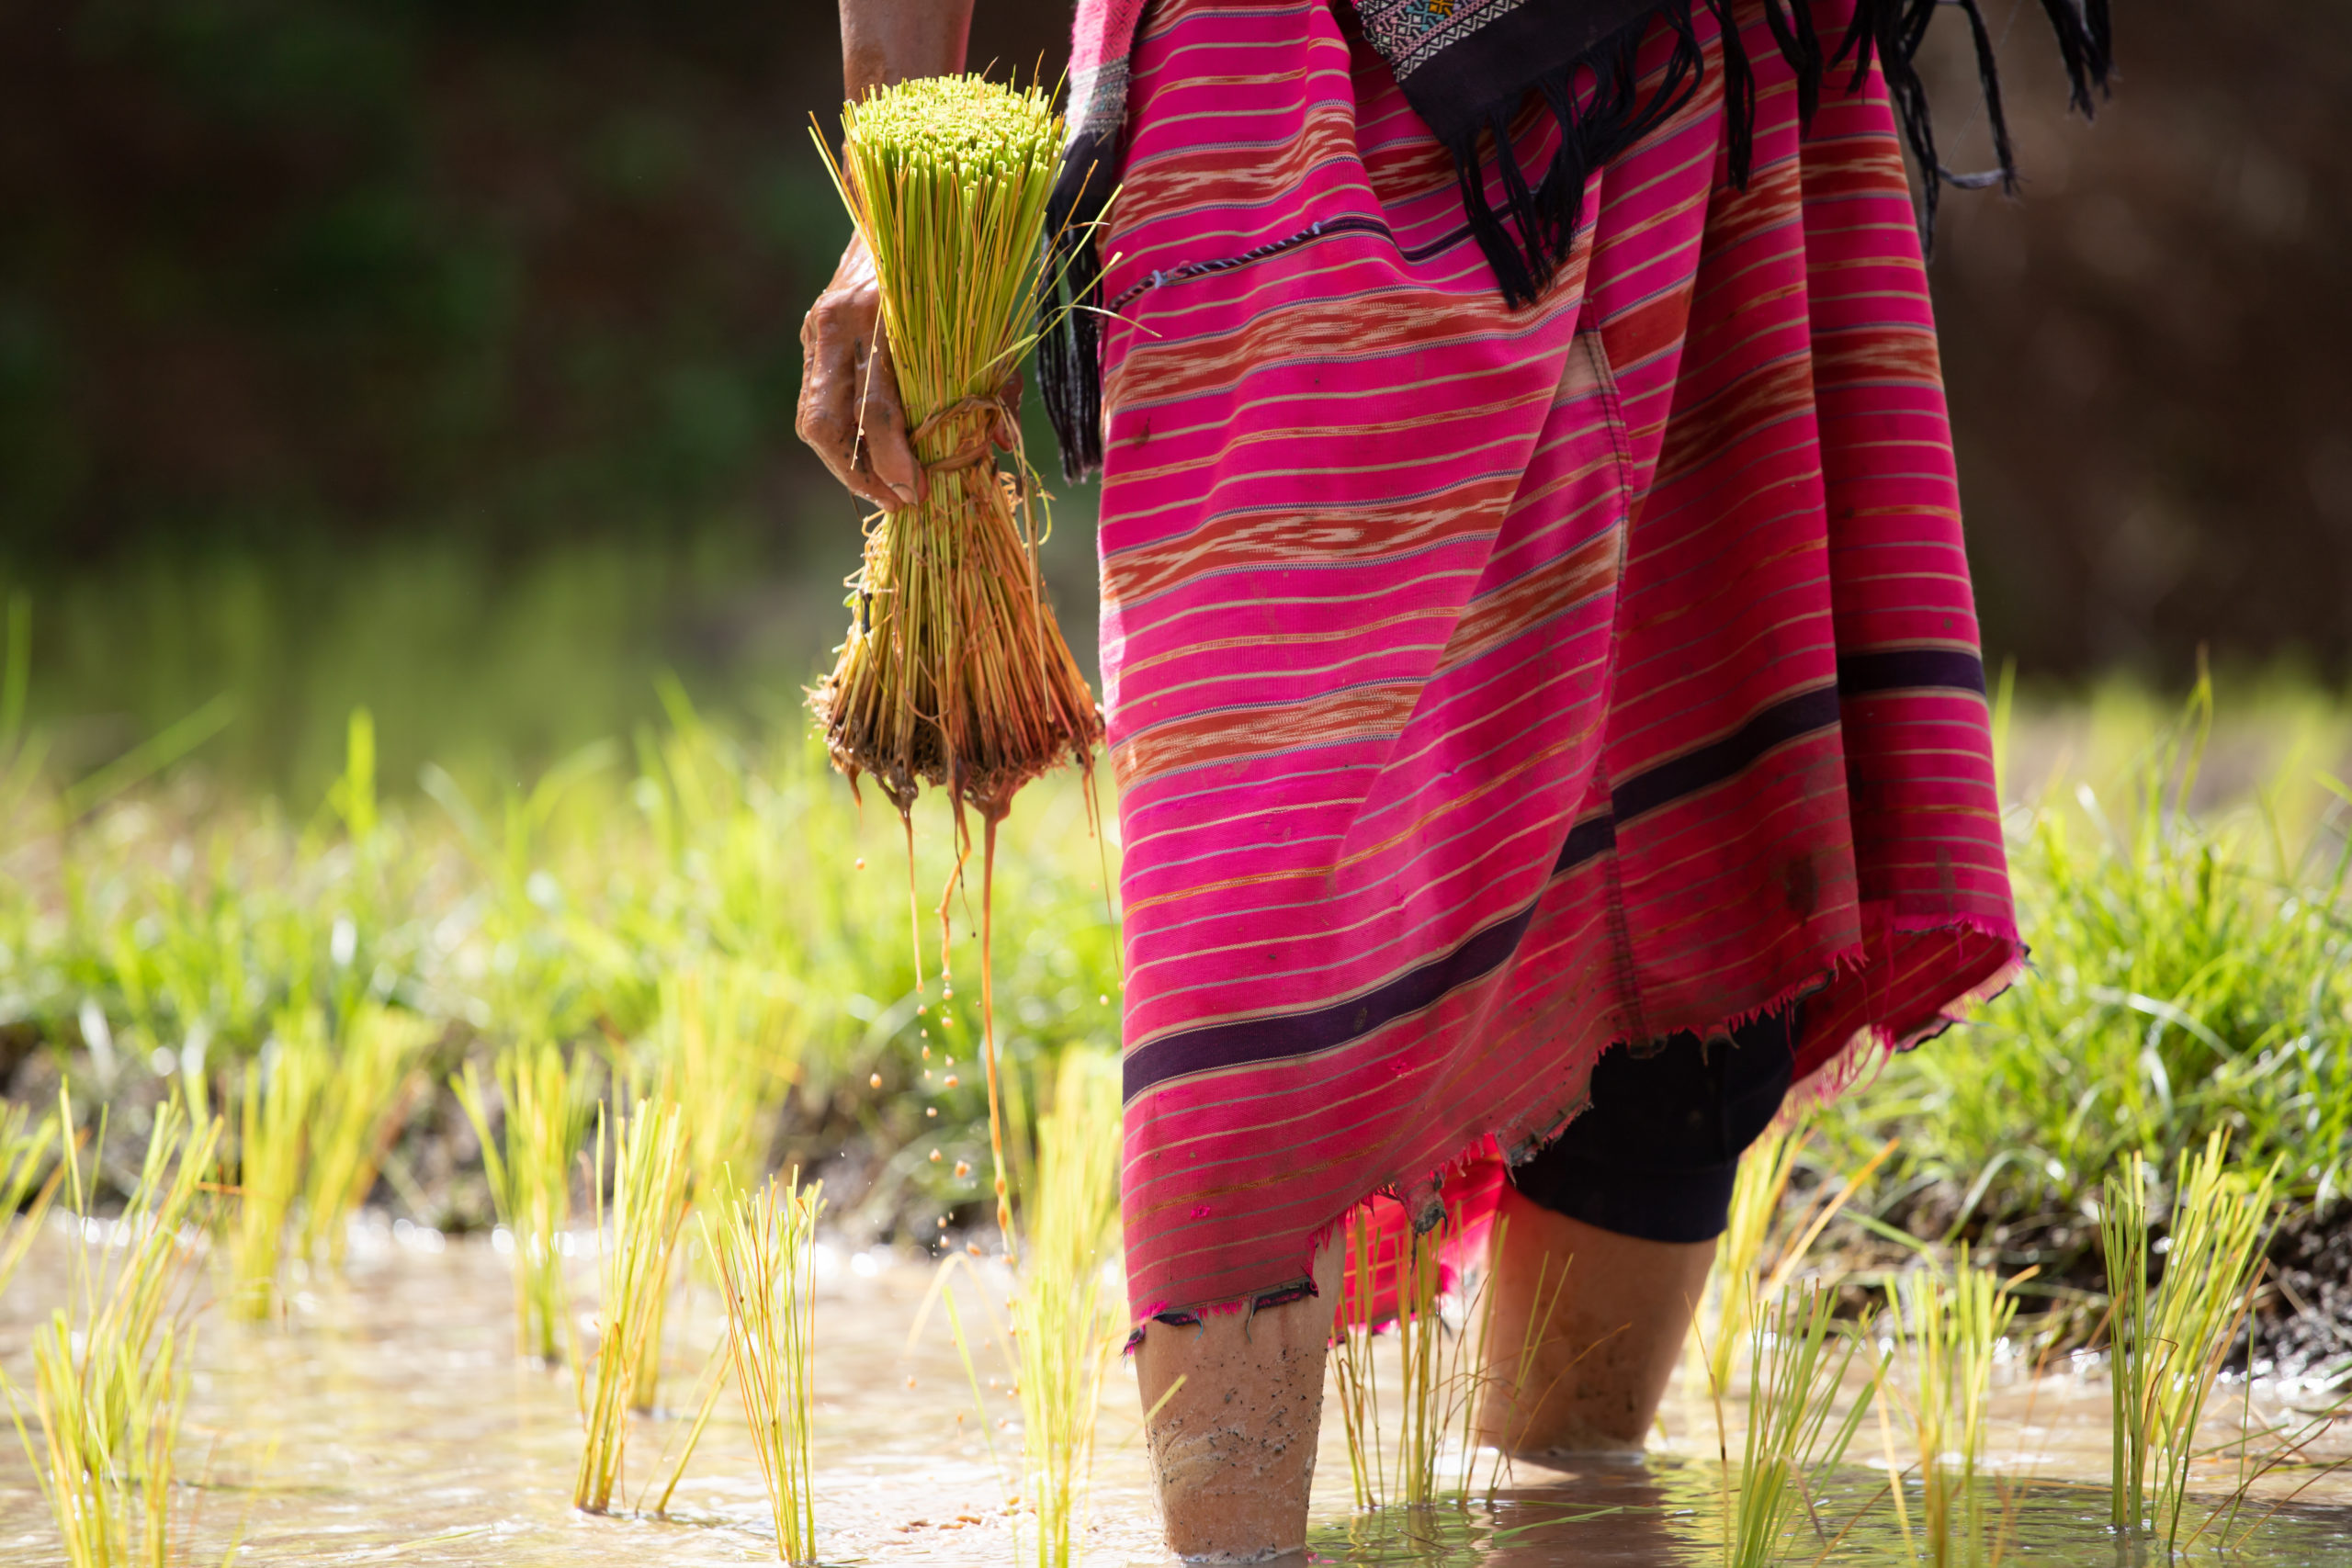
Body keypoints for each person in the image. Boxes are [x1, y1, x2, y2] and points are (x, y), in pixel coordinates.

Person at [803, 0, 2107, 1560]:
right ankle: (1235, 1538)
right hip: (1281, 101)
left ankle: (1568, 1502)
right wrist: (894, 196)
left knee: (1697, 775)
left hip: (1694, 51)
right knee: (1263, 882)